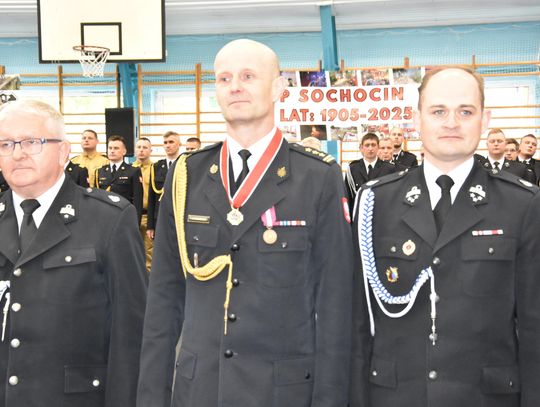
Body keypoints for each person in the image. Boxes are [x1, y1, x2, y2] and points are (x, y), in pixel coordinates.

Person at [137, 39, 353, 407]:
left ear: (278, 88)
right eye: (224, 78)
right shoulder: (187, 175)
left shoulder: (317, 177)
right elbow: (163, 298)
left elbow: (335, 304)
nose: (235, 86)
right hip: (200, 389)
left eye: (248, 76)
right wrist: (151, 397)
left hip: (282, 392)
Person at [350, 67, 540, 407]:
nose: (451, 122)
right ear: (417, 119)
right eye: (438, 111)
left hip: (486, 396)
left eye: (465, 112)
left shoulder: (522, 204)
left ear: (484, 120)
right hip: (395, 396)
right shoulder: (376, 201)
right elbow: (357, 321)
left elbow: (534, 326)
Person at [0, 100, 147, 407]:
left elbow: (131, 332)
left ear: (63, 152)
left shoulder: (108, 219)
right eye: (5, 144)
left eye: (32, 142)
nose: (17, 154)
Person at [95, 135, 143, 225]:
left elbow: (137, 201)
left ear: (124, 151)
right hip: (104, 219)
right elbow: (96, 199)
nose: (112, 151)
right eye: (110, 148)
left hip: (125, 218)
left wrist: (136, 223)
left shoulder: (133, 171)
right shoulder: (100, 171)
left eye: (116, 148)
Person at [146, 131, 181, 242]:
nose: (167, 145)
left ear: (179, 144)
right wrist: (150, 225)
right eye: (165, 143)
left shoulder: (185, 165)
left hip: (179, 216)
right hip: (160, 217)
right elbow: (151, 198)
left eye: (171, 142)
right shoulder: (156, 167)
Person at [345, 133, 396, 209]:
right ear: (361, 148)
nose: (370, 148)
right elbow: (348, 196)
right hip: (359, 212)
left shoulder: (389, 168)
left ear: (378, 147)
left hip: (381, 211)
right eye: (367, 145)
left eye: (373, 145)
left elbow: (393, 196)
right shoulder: (353, 168)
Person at [133, 137, 154, 271]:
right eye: (139, 147)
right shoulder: (128, 169)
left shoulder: (155, 169)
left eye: (145, 147)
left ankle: (149, 280)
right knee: (131, 250)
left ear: (151, 150)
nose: (141, 150)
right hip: (132, 216)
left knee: (149, 252)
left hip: (148, 216)